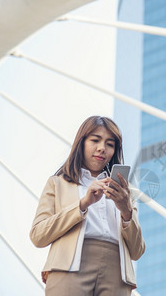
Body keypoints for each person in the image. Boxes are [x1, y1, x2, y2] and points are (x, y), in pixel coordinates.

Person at [30, 116, 145, 296]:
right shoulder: (58, 183)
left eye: (109, 144)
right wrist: (83, 204)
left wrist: (126, 210)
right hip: (69, 268)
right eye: (95, 140)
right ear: (81, 143)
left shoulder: (124, 191)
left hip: (117, 273)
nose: (102, 148)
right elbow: (38, 235)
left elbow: (137, 251)